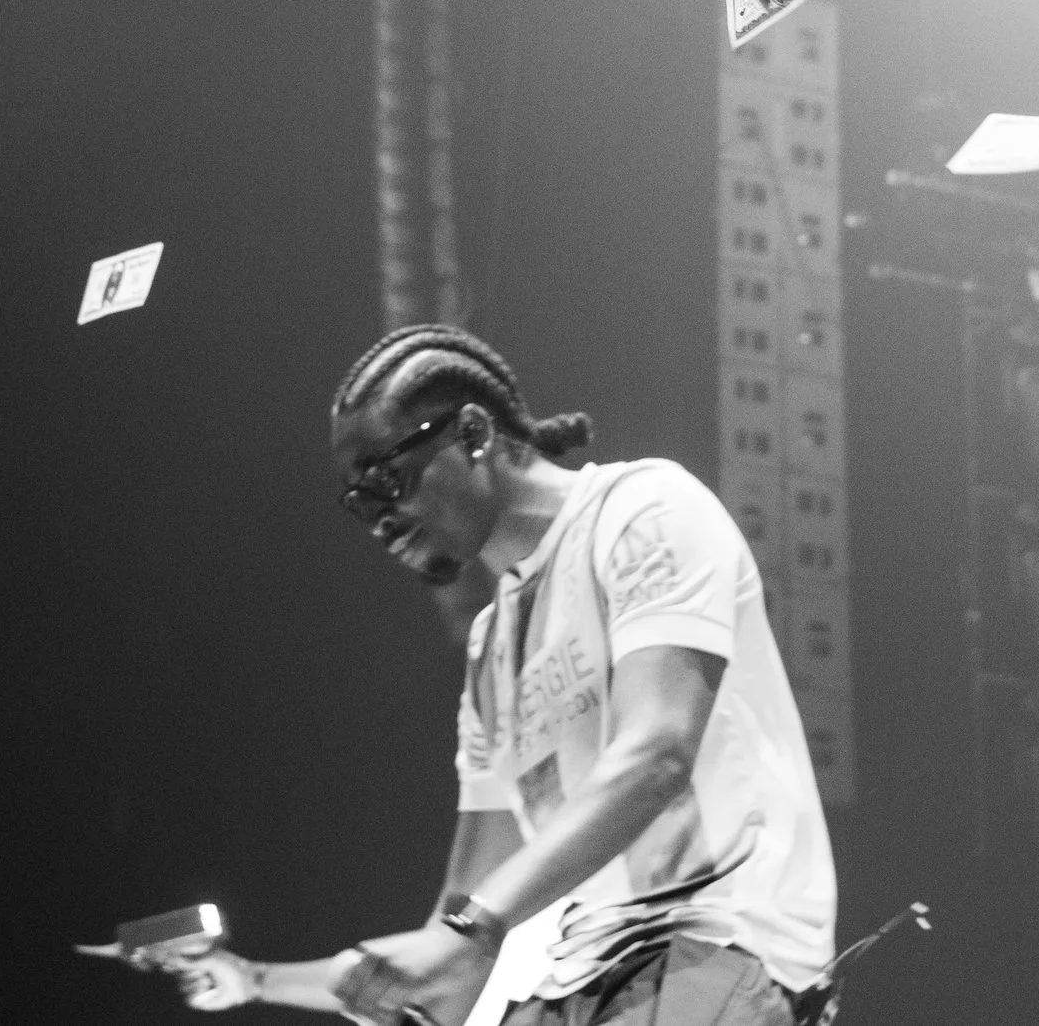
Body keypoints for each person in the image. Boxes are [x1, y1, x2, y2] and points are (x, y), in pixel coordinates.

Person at [177, 325, 839, 1026]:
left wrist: (473, 931)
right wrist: (253, 976)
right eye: (359, 503)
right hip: (581, 979)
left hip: (714, 945)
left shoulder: (645, 511)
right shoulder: (494, 648)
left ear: (472, 432)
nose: (379, 520)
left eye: (386, 480)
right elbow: (455, 937)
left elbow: (657, 754)